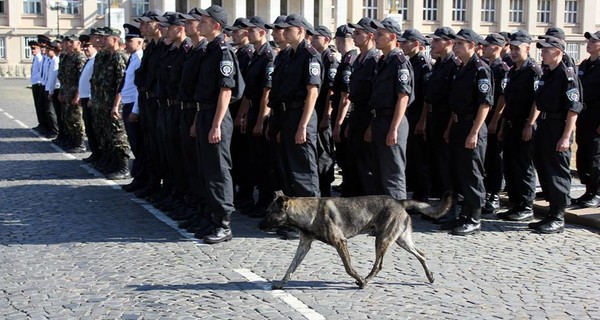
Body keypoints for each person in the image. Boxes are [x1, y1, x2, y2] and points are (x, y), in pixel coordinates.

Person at [191, 5, 243, 244]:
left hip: (216, 117)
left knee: (219, 172)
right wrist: (197, 121)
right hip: (204, 115)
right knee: (206, 169)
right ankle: (211, 217)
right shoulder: (209, 50)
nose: (199, 24)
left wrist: (216, 125)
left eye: (204, 20)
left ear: (216, 26)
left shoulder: (223, 52)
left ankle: (224, 224)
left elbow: (226, 91)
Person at [530, 36, 582, 234]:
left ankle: (558, 216)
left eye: (546, 50)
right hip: (544, 125)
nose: (542, 53)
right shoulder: (547, 73)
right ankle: (551, 213)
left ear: (558, 52)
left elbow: (573, 109)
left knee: (557, 173)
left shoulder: (566, 75)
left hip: (558, 126)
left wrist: (566, 136)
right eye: (542, 50)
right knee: (544, 169)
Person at [444, 28, 493, 236]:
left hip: (472, 126)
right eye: (454, 44)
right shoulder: (460, 68)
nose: (455, 47)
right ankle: (463, 215)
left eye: (459, 44)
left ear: (472, 46)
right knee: (459, 172)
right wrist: (449, 128)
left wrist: (474, 132)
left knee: (472, 174)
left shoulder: (481, 69)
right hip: (458, 125)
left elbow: (484, 104)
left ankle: (474, 218)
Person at [268, 14, 322, 198]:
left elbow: (312, 92)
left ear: (300, 31)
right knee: (289, 171)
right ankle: (294, 220)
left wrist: (303, 125)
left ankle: (313, 222)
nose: (283, 32)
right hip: (287, 116)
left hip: (300, 114)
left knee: (304, 172)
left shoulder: (310, 55)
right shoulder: (289, 55)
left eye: (288, 29)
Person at [497, 30, 542, 222]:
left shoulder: (533, 71)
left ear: (528, 48)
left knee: (524, 167)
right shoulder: (513, 70)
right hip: (510, 124)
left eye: (518, 48)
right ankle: (515, 203)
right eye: (512, 48)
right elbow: (507, 100)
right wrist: (501, 126)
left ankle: (526, 205)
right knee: (511, 165)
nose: (514, 52)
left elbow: (537, 100)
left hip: (524, 125)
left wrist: (530, 124)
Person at [234, 15, 276, 218]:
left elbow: (266, 93)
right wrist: (242, 115)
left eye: (251, 30)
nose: (247, 33)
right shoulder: (256, 56)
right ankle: (257, 201)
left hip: (262, 114)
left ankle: (266, 202)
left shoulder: (268, 56)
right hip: (252, 112)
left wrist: (260, 121)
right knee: (254, 161)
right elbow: (248, 93)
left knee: (264, 162)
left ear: (261, 32)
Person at [368, 18, 414, 200]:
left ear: (393, 37)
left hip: (392, 121)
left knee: (393, 174)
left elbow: (403, 97)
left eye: (380, 34)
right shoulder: (383, 61)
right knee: (379, 172)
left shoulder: (400, 62)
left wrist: (393, 128)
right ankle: (383, 220)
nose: (375, 37)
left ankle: (397, 221)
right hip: (379, 120)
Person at [423, 27, 459, 224]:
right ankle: (441, 206)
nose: (433, 44)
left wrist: (447, 128)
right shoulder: (439, 64)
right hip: (434, 119)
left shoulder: (454, 64)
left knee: (447, 168)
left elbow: (454, 99)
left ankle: (451, 209)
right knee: (438, 167)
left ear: (447, 42)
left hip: (446, 120)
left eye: (437, 41)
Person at [344, 17, 379, 197]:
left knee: (367, 166)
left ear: (369, 36)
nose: (354, 36)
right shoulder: (358, 59)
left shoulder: (375, 60)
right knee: (354, 162)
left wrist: (371, 126)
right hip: (356, 114)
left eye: (358, 33)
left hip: (368, 116)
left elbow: (375, 96)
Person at [399, 28, 432, 202]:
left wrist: (422, 121)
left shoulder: (423, 64)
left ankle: (422, 196)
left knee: (419, 159)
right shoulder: (408, 62)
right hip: (409, 116)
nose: (402, 44)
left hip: (418, 115)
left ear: (417, 44)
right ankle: (414, 189)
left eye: (406, 42)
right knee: (411, 156)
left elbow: (426, 96)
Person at [480, 33, 509, 215]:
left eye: (487, 46)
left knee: (494, 159)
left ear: (497, 48)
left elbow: (503, 97)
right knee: (486, 158)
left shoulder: (502, 68)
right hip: (485, 119)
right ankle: (485, 192)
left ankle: (494, 195)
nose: (483, 48)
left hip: (494, 120)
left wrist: (496, 120)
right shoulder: (486, 66)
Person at [308, 25, 338, 196]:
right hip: (316, 112)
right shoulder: (316, 57)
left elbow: (330, 91)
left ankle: (325, 191)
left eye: (316, 38)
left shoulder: (330, 59)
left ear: (326, 40)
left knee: (324, 154)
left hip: (323, 115)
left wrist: (326, 116)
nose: (312, 40)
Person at [113, 24, 144, 180]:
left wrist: (136, 110)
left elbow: (139, 87)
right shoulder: (132, 58)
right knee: (134, 143)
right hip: (128, 103)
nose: (126, 43)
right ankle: (137, 177)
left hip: (133, 105)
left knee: (138, 144)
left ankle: (140, 177)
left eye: (130, 40)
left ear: (139, 42)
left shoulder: (139, 58)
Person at [574, 31, 600, 208]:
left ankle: (597, 193)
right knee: (583, 153)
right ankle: (588, 190)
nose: (588, 43)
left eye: (593, 41)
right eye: (588, 40)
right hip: (584, 115)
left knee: (595, 155)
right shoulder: (584, 64)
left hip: (597, 116)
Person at [331, 24, 358, 195]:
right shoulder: (353, 58)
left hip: (345, 115)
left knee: (346, 155)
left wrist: (339, 123)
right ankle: (348, 184)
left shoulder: (348, 61)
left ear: (339, 41)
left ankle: (350, 187)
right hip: (347, 114)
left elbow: (345, 97)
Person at [59, 34, 87, 153]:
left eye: (71, 42)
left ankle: (80, 143)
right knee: (68, 118)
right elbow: (63, 77)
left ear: (78, 43)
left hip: (74, 91)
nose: (68, 44)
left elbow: (81, 79)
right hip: (67, 90)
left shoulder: (79, 57)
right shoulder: (68, 57)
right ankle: (72, 140)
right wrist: (61, 91)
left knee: (76, 119)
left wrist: (78, 95)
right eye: (67, 42)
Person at [29, 40, 47, 135]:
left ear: (39, 48)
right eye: (31, 49)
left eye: (34, 48)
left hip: (39, 84)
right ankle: (41, 123)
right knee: (37, 105)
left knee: (41, 106)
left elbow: (42, 72)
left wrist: (39, 82)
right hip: (35, 83)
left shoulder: (40, 58)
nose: (32, 51)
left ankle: (44, 124)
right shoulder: (36, 58)